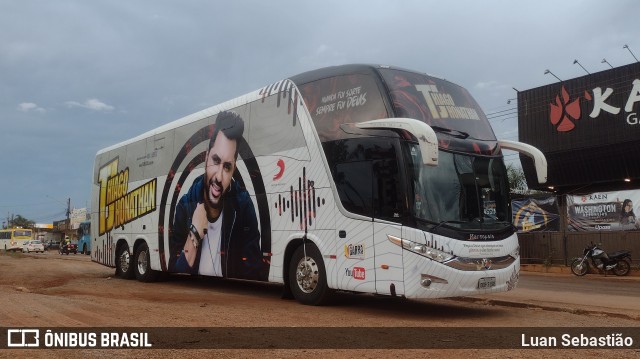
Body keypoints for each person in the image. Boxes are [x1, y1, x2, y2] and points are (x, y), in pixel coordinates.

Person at [168, 111, 263, 280]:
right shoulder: (185, 205)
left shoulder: (244, 207)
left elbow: (253, 271)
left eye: (227, 167)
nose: (219, 177)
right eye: (216, 160)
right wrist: (195, 233)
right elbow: (175, 269)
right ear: (206, 158)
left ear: (233, 169)